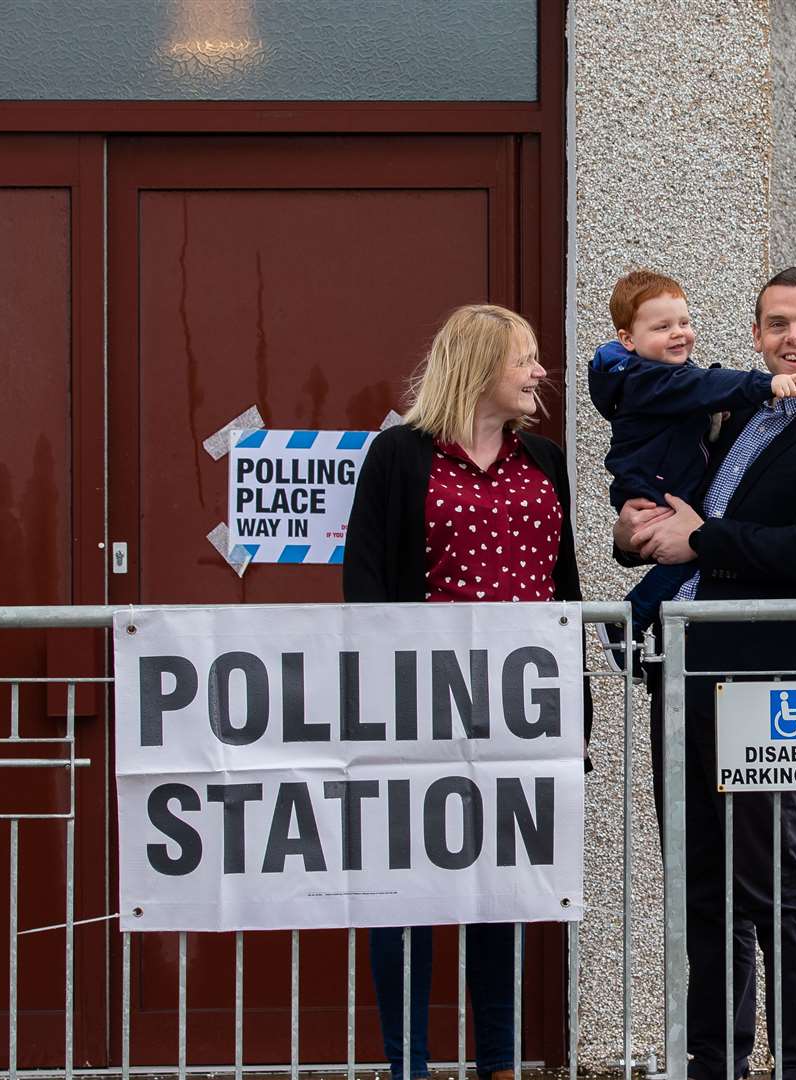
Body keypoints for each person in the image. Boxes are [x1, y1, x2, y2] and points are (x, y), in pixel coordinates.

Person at [616, 267, 796, 1080]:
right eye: (777, 324)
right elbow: (672, 503)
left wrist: (699, 541)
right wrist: (636, 528)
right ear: (756, 334)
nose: (793, 338)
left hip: (768, 688)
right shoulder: (740, 405)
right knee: (701, 883)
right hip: (683, 676)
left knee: (777, 886)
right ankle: (717, 1062)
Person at [344, 303, 585, 1080]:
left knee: (502, 888)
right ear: (480, 367)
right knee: (407, 892)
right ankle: (407, 1066)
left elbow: (565, 588)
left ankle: (500, 1063)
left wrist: (573, 708)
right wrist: (379, 697)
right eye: (525, 359)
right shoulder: (400, 457)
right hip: (419, 704)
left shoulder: (544, 461)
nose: (539, 373)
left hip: (522, 710)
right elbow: (367, 584)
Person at [587, 270, 796, 661]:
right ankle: (628, 619)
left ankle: (631, 622)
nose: (678, 333)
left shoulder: (666, 375)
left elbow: (701, 389)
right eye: (662, 326)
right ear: (628, 340)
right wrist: (765, 383)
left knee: (695, 551)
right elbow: (702, 387)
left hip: (665, 482)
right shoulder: (645, 379)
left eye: (684, 322)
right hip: (655, 487)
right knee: (696, 552)